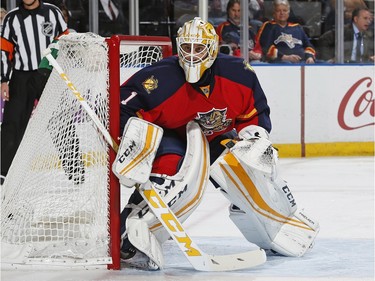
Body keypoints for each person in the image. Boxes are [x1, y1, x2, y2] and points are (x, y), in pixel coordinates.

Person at [116, 17, 319, 270]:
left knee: (246, 167)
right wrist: (136, 145)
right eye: (186, 48)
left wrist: (253, 138)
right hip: (173, 136)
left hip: (214, 137)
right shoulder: (156, 79)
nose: (191, 55)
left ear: (212, 49)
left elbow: (254, 114)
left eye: (198, 48)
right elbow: (120, 109)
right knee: (172, 174)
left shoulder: (239, 73)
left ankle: (279, 226)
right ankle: (128, 238)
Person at [0, 0, 68, 181]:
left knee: (60, 121)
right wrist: (4, 79)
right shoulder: (11, 18)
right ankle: (3, 174)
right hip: (21, 78)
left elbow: (65, 40)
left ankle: (76, 171)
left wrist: (61, 69)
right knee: (12, 125)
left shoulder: (53, 13)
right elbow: (4, 50)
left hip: (48, 75)